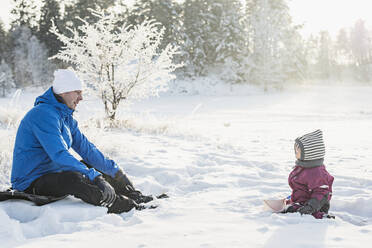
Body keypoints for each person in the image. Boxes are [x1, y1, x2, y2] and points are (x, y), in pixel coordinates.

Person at [11, 69, 154, 213]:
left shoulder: (66, 118)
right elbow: (59, 154)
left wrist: (116, 172)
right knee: (74, 177)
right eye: (77, 92)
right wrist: (96, 178)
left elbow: (88, 150)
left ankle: (133, 196)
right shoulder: (42, 114)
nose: (81, 98)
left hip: (54, 174)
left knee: (89, 166)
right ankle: (123, 205)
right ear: (63, 92)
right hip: (31, 182)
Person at [284, 129, 334, 219]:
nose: (295, 152)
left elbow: (322, 193)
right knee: (288, 209)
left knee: (304, 214)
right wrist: (291, 198)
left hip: (315, 206)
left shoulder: (317, 173)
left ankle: (324, 217)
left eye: (297, 150)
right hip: (301, 203)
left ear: (309, 153)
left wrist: (311, 207)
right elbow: (301, 187)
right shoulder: (303, 167)